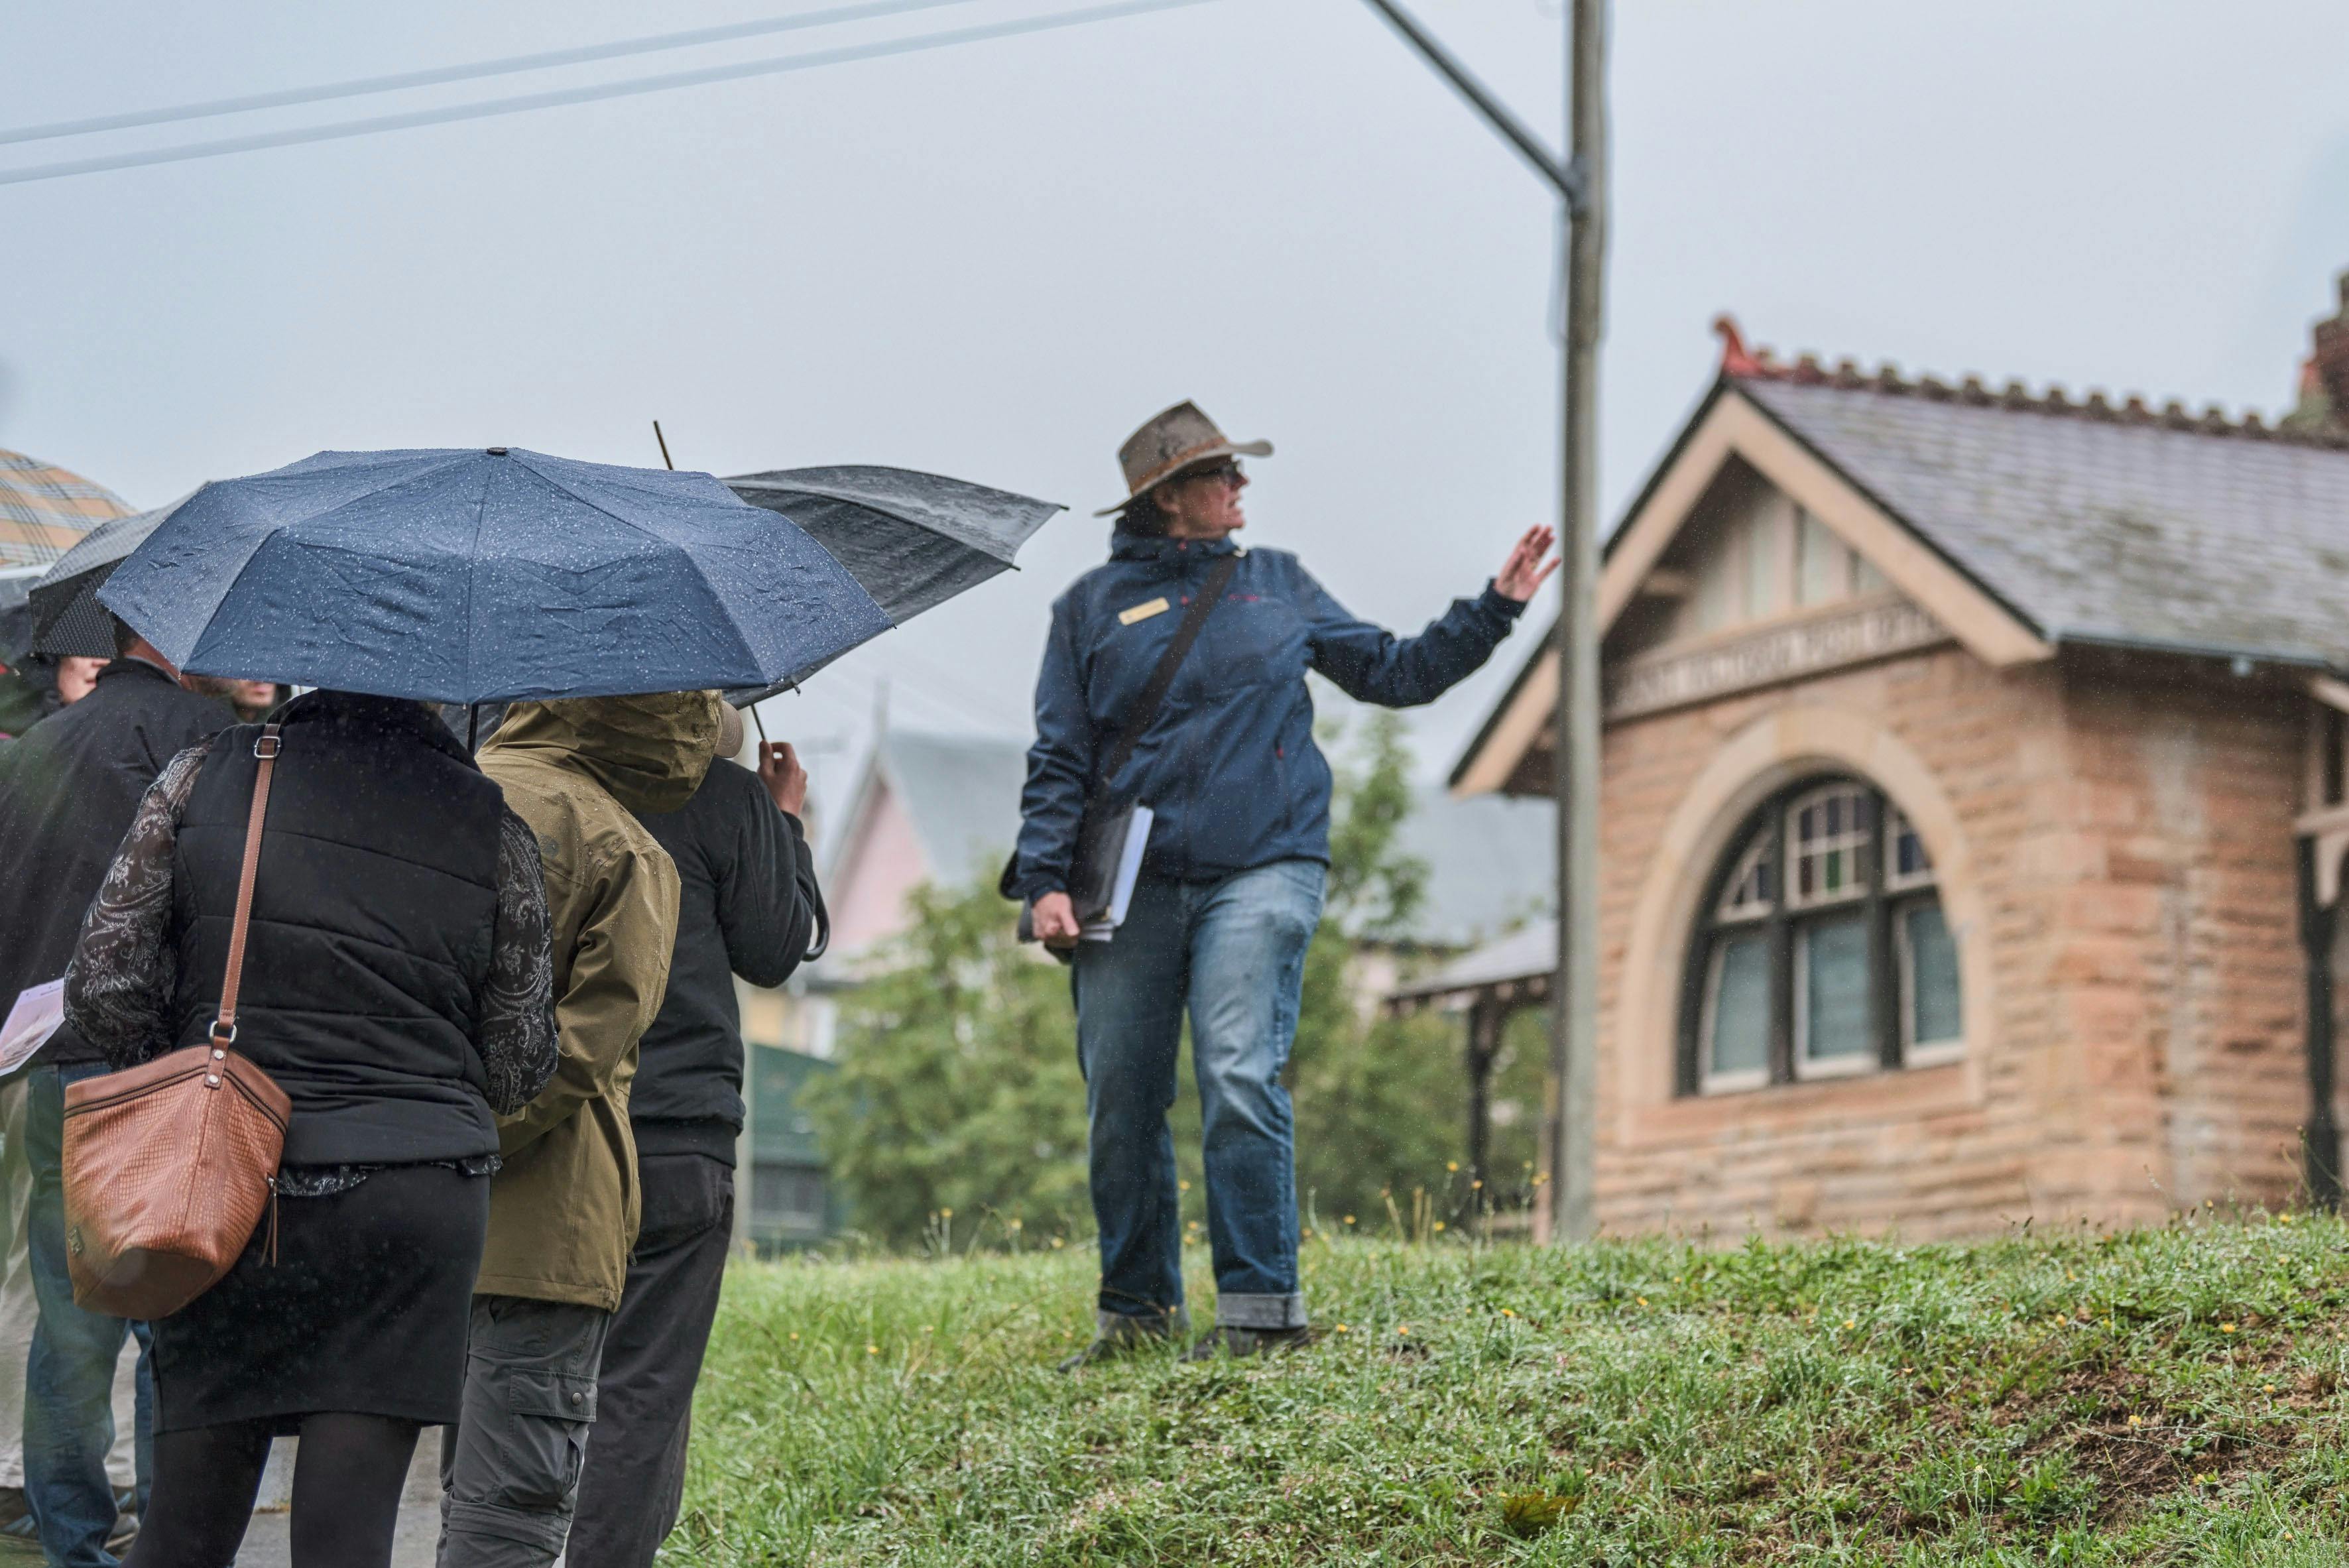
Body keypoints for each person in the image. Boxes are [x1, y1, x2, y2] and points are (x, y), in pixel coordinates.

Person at [1004, 402, 1556, 1364]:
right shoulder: (1088, 610)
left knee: (1237, 1071)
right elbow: (1061, 756)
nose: (1242, 486)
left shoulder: (1278, 584)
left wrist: (1494, 608)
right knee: (1122, 1097)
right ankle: (1135, 1318)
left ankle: (1261, 1315)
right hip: (1126, 889)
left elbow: (1394, 672)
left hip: (1265, 864)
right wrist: (1045, 880)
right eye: (1223, 474)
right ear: (1169, 498)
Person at [60, 688, 560, 1568]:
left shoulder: (207, 775)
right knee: (346, 1538)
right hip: (413, 1200)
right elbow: (520, 1062)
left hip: (233, 1186)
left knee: (185, 1527)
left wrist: (187, 1044)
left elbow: (102, 989)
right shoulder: (495, 826)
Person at [443, 690, 722, 1568]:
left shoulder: (439, 796)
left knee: (415, 1478)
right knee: (511, 1508)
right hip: (551, 1226)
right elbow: (583, 1049)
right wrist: (475, 1129)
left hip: (405, 1208)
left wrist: (419, 1138)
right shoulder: (627, 848)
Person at [567, 703, 825, 1568]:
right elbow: (776, 948)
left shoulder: (550, 785)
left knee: (533, 1377)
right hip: (681, 1137)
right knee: (645, 1390)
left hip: (561, 1131)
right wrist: (784, 819)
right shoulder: (723, 797)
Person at [0, 618, 232, 1565]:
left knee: (70, 1326)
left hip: (47, 1062)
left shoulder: (38, 745)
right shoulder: (204, 742)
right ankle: (165, 1545)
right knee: (167, 1320)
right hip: (157, 1069)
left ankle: (72, 1545)